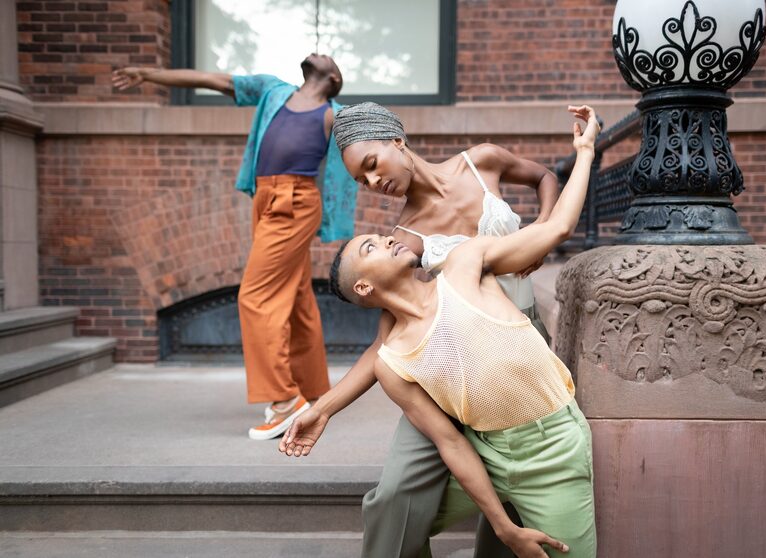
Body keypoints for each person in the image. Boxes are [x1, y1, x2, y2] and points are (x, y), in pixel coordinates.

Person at [282, 106, 600, 557]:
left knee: (518, 487)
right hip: (450, 354)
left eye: (371, 166)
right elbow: (387, 343)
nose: (373, 184)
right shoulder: (400, 241)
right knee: (397, 494)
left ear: (396, 140)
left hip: (519, 333)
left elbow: (546, 179)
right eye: (361, 181)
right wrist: (325, 408)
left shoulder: (482, 160)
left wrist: (540, 233)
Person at [112, 55, 357, 439]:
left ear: (333, 76)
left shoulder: (333, 115)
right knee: (295, 298)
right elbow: (213, 79)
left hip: (295, 201)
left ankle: (284, 400)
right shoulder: (273, 90)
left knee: (255, 297)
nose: (318, 52)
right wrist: (148, 74)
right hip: (265, 197)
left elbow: (375, 148)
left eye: (327, 56)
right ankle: (316, 395)